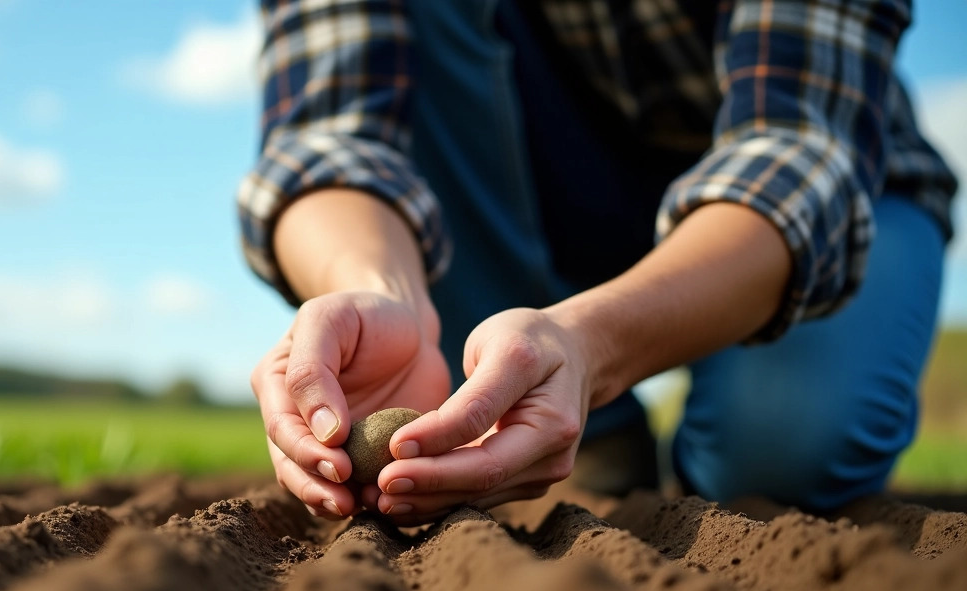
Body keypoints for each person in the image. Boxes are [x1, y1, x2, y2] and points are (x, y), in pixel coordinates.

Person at [237, 0, 957, 526]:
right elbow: (328, 135)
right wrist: (378, 287)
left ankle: (584, 387)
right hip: (547, 189)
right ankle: (597, 442)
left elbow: (799, 152)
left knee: (779, 456)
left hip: (829, 194)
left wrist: (590, 342)